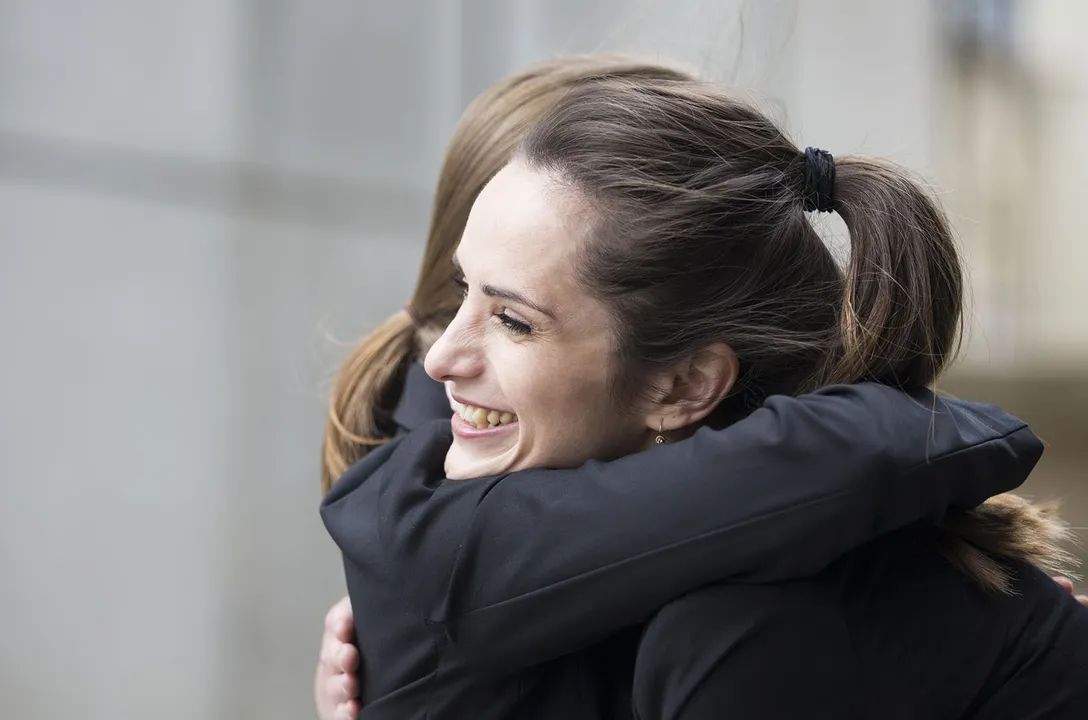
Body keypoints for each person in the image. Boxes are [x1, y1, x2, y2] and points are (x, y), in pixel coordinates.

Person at [319, 74, 1087, 719]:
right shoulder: (427, 499)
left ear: (687, 386)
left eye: (514, 321)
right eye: (464, 290)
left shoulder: (742, 630)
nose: (443, 359)